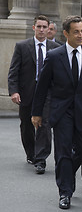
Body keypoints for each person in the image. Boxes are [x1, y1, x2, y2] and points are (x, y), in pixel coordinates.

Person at [31, 15, 82, 209]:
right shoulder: (55, 56)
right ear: (66, 34)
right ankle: (65, 192)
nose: (81, 35)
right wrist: (36, 113)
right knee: (63, 152)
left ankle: (67, 171)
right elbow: (42, 86)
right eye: (76, 32)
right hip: (62, 112)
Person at [8, 15, 60, 174]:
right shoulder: (22, 46)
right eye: (39, 27)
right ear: (34, 28)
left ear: (49, 29)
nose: (42, 30)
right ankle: (31, 153)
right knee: (26, 125)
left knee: (45, 124)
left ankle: (41, 158)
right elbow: (13, 71)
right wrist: (14, 91)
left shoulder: (56, 48)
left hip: (48, 93)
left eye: (45, 27)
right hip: (27, 92)